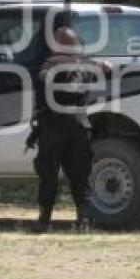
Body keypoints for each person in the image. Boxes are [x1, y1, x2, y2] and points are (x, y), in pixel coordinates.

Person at [31, 27, 110, 233]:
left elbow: (41, 83)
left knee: (48, 175)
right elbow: (107, 69)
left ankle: (44, 220)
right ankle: (84, 222)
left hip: (53, 126)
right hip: (78, 126)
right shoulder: (84, 64)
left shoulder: (50, 64)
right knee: (80, 176)